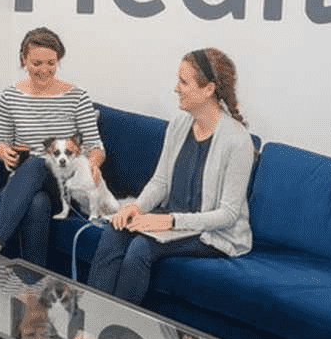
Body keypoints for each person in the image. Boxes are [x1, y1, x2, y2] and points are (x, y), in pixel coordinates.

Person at [86, 48, 254, 305]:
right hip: (173, 222)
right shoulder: (179, 124)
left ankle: (116, 321)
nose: (176, 88)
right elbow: (161, 182)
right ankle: (92, 313)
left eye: (183, 82)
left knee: (141, 247)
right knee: (115, 230)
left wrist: (169, 222)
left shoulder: (238, 140)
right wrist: (136, 208)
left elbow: (228, 215)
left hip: (211, 233)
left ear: (208, 89)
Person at [0, 27, 105, 272]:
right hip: (24, 184)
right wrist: (2, 151)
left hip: (66, 186)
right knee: (37, 202)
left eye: (51, 63)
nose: (44, 70)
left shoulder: (78, 97)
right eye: (36, 63)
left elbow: (96, 147)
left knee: (39, 162)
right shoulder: (10, 96)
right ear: (23, 60)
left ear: (59, 60)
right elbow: (1, 141)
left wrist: (93, 164)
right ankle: (33, 282)